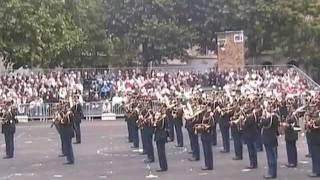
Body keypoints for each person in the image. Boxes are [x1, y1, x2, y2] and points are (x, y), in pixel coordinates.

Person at [261, 108, 280, 179]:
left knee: (270, 157)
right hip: (273, 138)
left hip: (269, 139)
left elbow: (263, 123)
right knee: (273, 156)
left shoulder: (270, 118)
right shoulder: (275, 117)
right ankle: (273, 173)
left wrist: (264, 117)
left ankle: (271, 173)